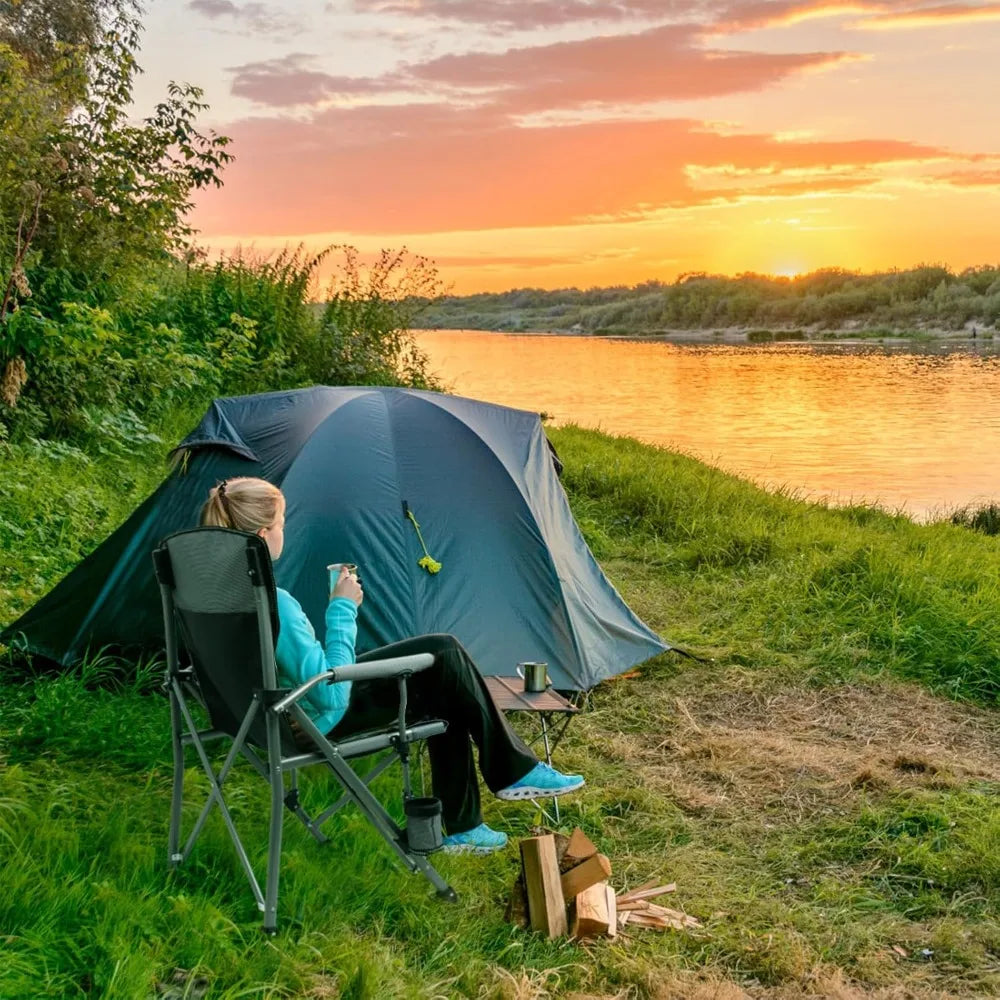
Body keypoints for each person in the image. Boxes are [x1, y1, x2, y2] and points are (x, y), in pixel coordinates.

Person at [200, 476, 585, 854]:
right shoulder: (274, 602)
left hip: (259, 720)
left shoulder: (212, 597)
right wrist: (342, 608)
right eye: (283, 523)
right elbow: (331, 694)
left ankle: (468, 823)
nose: (285, 531)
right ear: (264, 534)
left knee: (441, 677)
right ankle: (508, 774)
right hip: (311, 720)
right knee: (445, 654)